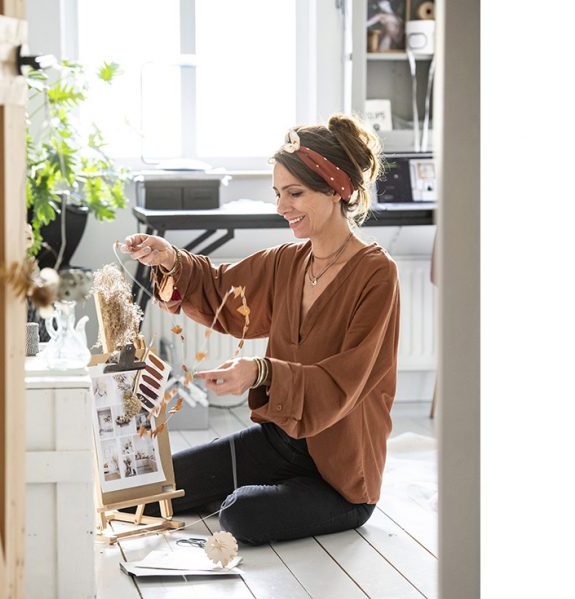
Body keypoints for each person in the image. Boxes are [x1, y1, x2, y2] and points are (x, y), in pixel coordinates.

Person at [120, 114, 400, 545]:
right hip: (280, 442)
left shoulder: (376, 274)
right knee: (147, 489)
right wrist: (170, 258)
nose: (282, 207)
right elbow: (220, 287)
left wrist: (261, 371)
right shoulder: (289, 261)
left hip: (342, 475)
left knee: (242, 513)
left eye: (295, 193)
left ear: (336, 189)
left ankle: (277, 497)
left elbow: (344, 382)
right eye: (278, 193)